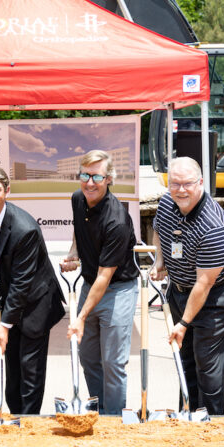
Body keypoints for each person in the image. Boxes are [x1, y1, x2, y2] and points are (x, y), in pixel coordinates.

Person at [151, 156, 224, 416]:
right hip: (180, 290)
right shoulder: (168, 202)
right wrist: (161, 261)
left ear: (201, 182)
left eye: (188, 184)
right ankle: (187, 417)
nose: (181, 189)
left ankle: (211, 423)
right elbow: (159, 229)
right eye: (175, 183)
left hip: (216, 297)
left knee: (208, 365)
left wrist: (183, 324)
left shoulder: (213, 226)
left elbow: (204, 283)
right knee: (185, 360)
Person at [0, 166, 66, 415]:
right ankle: (15, 418)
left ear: (7, 191)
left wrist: (4, 325)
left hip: (36, 302)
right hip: (13, 295)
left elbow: (23, 282)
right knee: (11, 366)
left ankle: (29, 423)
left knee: (29, 370)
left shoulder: (25, 230)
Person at [60, 150, 140, 416]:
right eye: (84, 175)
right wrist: (75, 251)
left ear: (109, 179)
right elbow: (78, 227)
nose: (89, 182)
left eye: (96, 176)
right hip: (90, 284)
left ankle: (114, 419)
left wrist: (80, 316)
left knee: (113, 362)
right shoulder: (78, 199)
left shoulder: (117, 220)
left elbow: (106, 277)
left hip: (118, 289)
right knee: (88, 357)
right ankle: (99, 409)